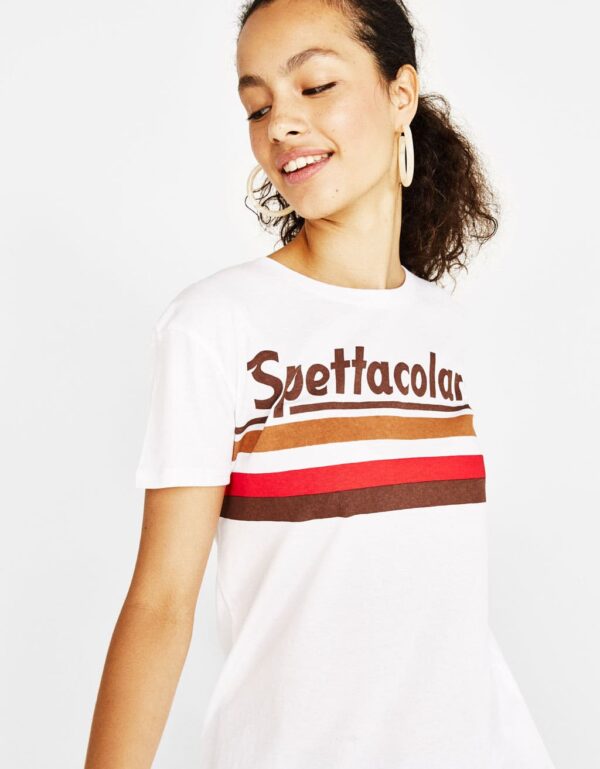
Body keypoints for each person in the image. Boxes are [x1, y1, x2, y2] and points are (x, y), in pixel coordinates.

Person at [84, 1, 558, 767]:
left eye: (315, 86)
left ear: (400, 95)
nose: (280, 124)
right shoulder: (213, 325)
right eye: (258, 106)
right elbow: (162, 602)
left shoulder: (443, 326)